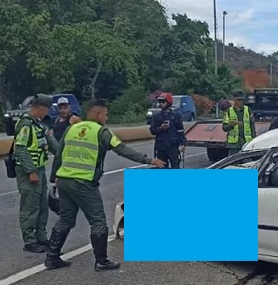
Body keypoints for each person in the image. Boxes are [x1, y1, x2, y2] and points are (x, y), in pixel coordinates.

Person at [46, 100, 165, 271]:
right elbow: (122, 149)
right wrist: (149, 160)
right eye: (106, 114)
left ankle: (52, 257)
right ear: (98, 114)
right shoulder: (101, 132)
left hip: (64, 180)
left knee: (65, 218)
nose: (107, 117)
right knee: (98, 221)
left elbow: (59, 154)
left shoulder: (71, 129)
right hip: (84, 183)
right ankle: (101, 260)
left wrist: (54, 178)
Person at [13, 95, 60, 253]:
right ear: (40, 107)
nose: (47, 112)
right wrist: (31, 171)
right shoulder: (25, 124)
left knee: (42, 206)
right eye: (46, 109)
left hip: (39, 169)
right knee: (30, 207)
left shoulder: (39, 124)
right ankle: (30, 241)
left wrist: (63, 155)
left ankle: (41, 237)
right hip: (28, 172)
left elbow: (51, 142)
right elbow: (20, 149)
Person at [149, 92, 186, 168]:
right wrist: (160, 128)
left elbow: (180, 130)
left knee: (175, 166)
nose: (161, 104)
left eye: (163, 102)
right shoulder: (156, 116)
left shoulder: (176, 115)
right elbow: (152, 130)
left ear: (168, 102)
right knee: (162, 167)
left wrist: (183, 143)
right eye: (160, 102)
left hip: (173, 146)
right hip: (161, 146)